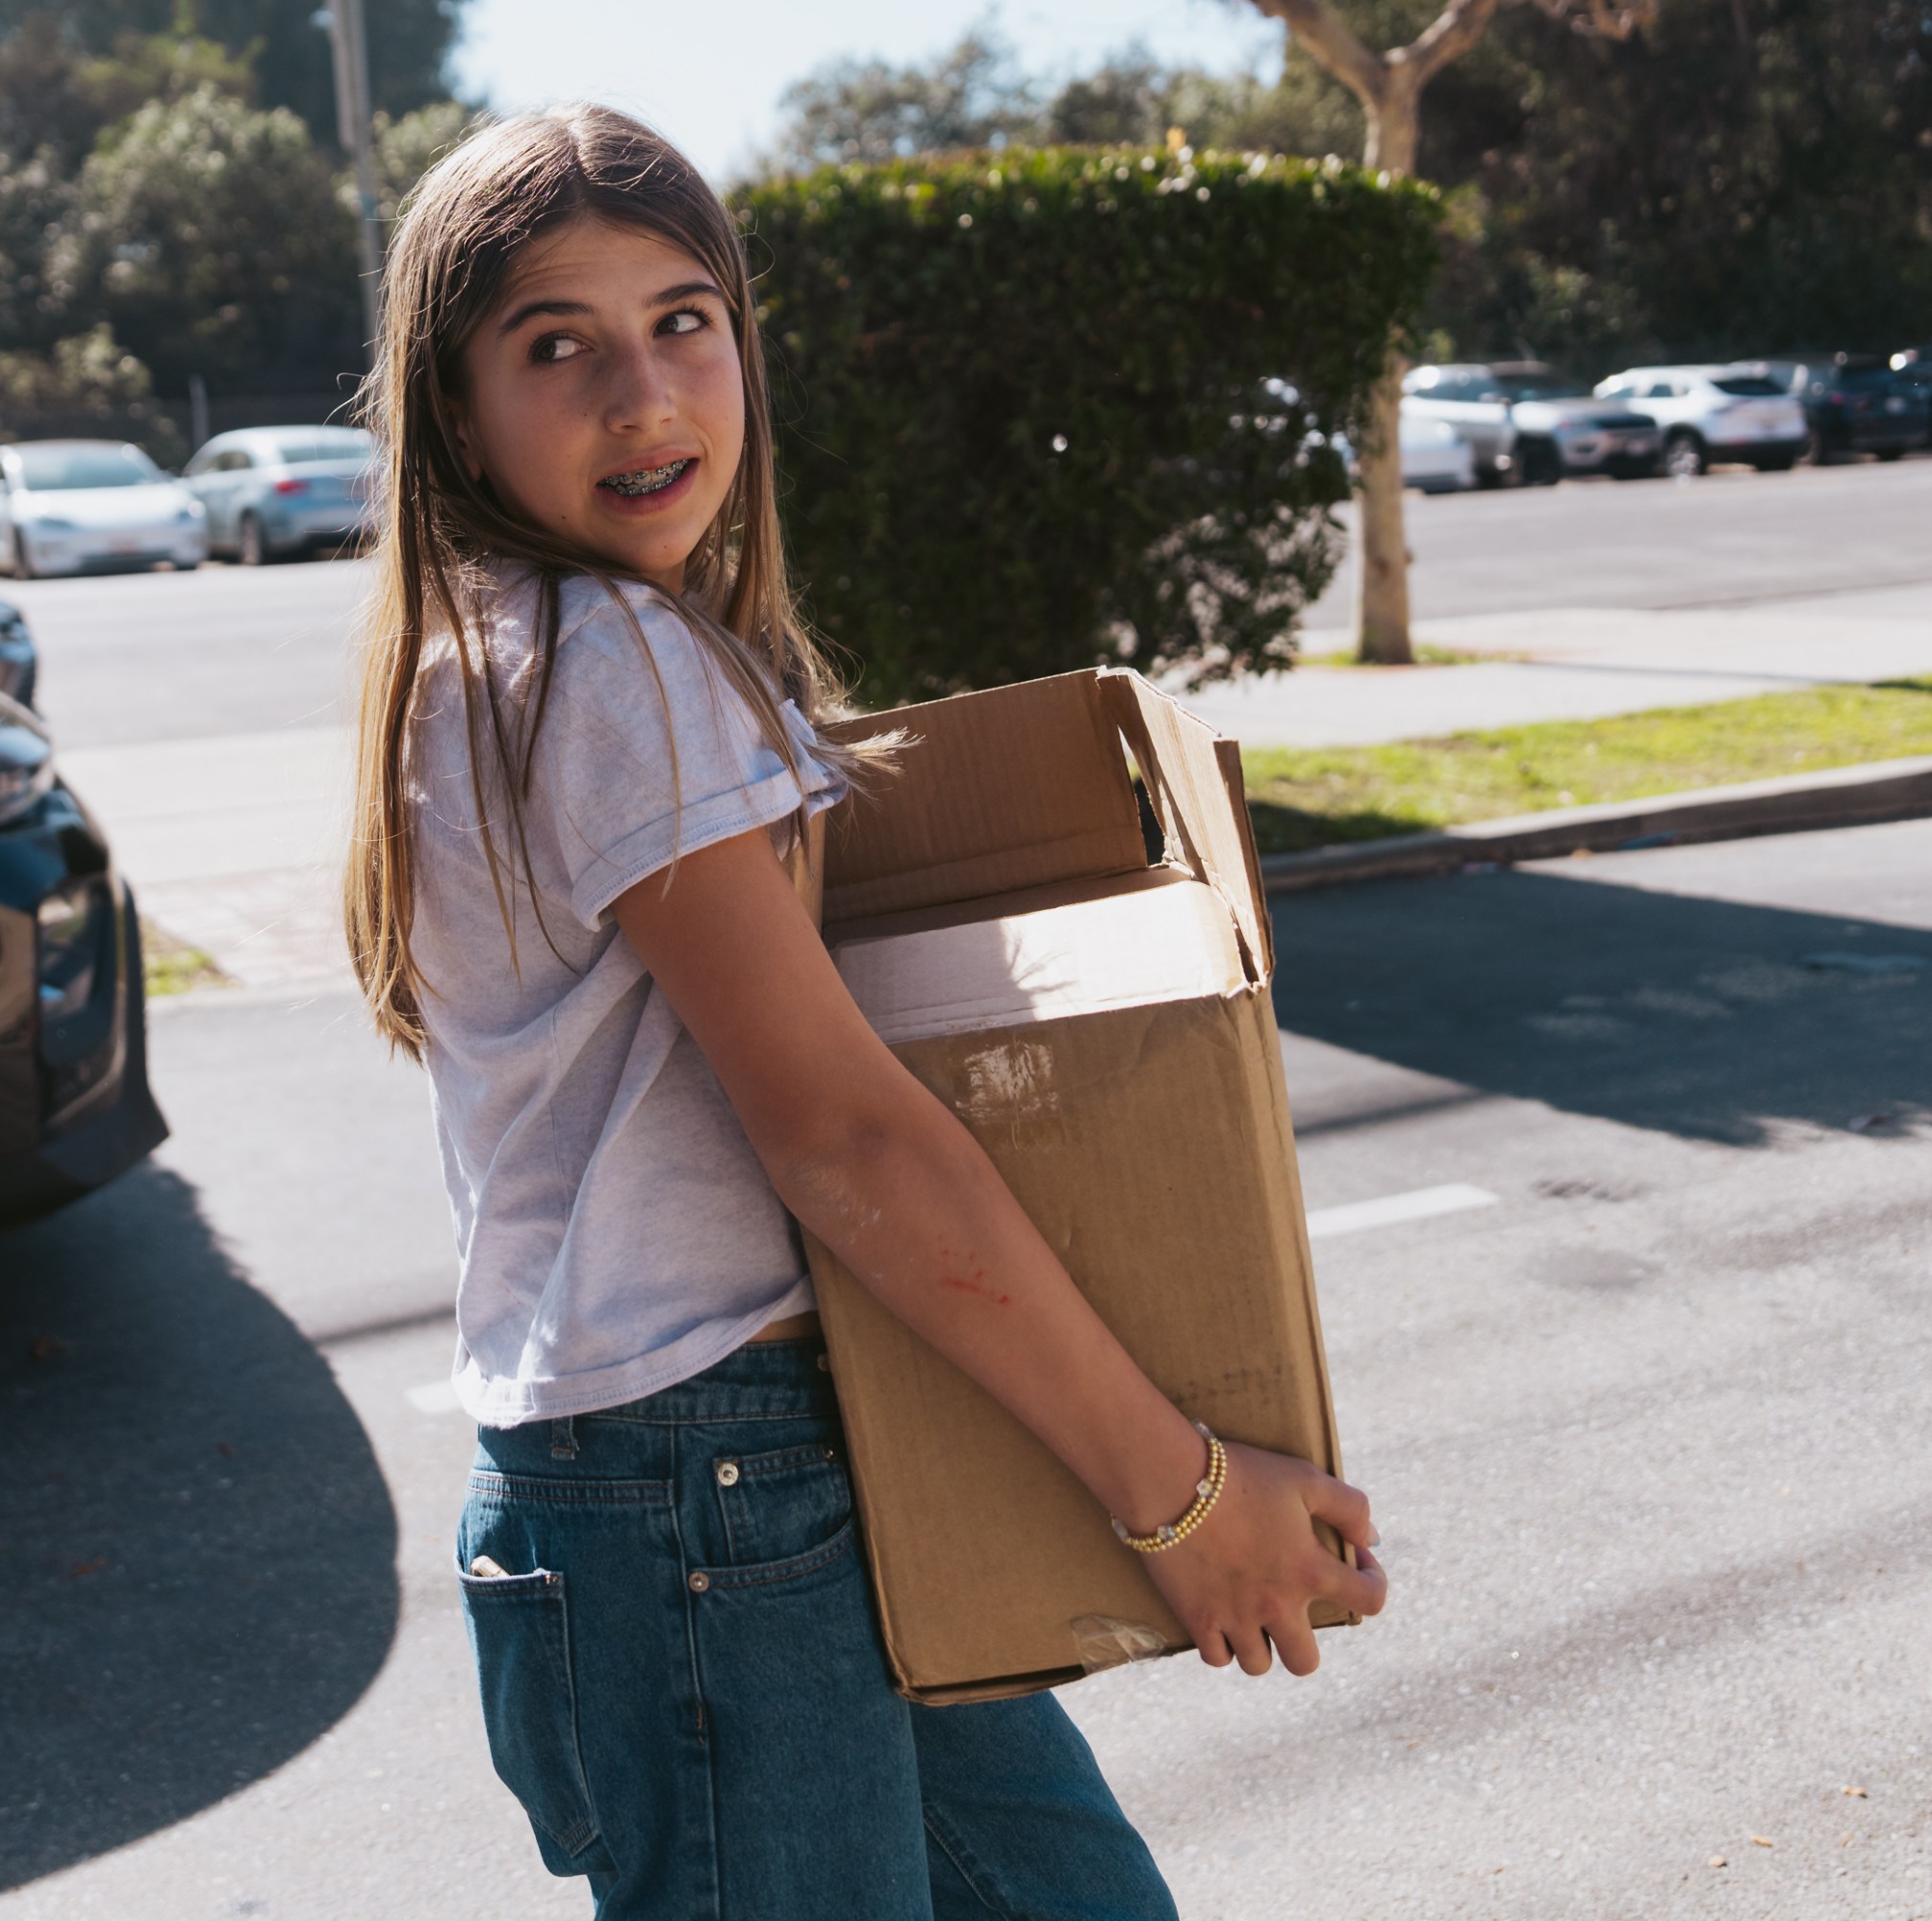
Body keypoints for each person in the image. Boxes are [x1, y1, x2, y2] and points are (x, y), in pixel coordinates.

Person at [343, 105, 1385, 1918]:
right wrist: (1183, 1496)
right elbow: (840, 1135)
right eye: (556, 346)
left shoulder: (512, 657)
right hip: (703, 1493)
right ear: (453, 410)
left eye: (684, 321)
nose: (642, 394)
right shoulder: (605, 667)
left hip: (722, 1477)